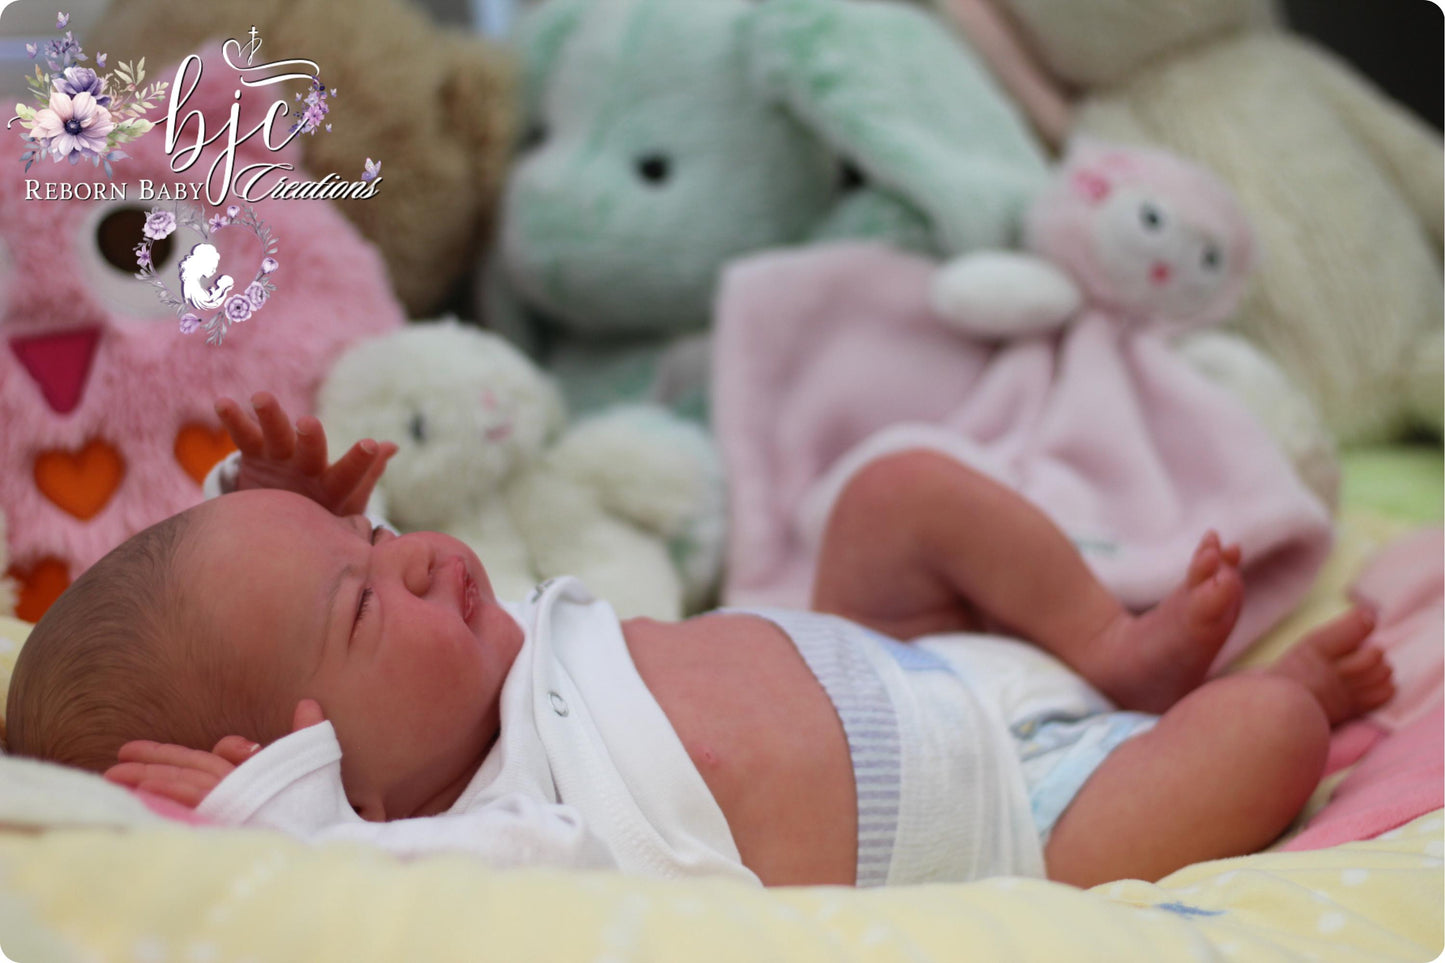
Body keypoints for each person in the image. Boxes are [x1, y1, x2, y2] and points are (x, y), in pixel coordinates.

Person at [7, 394, 1394, 889]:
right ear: (315, 776)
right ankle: (1218, 706)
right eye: (368, 599)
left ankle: (1111, 647)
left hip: (888, 644)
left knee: (893, 488)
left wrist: (288, 525)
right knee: (1272, 733)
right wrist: (279, 819)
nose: (420, 554)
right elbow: (358, 885)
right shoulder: (492, 833)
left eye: (375, 542)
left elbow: (249, 609)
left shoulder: (485, 664)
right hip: (1027, 822)